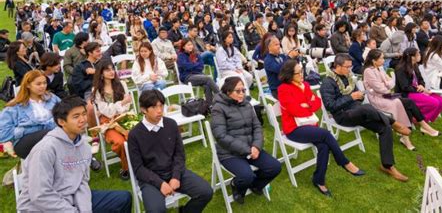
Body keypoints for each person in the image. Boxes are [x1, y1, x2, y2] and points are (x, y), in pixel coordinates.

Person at [16, 95, 132, 212]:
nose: (83, 119)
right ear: (61, 122)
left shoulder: (84, 147)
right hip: (41, 206)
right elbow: (40, 195)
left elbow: (81, 183)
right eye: (76, 116)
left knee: (123, 198)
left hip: (72, 197)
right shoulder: (45, 149)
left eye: (84, 114)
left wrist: (84, 208)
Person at [278, 60, 364, 197]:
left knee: (324, 146)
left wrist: (306, 105)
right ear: (289, 74)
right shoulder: (283, 89)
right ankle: (344, 162)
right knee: (326, 134)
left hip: (310, 125)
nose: (302, 74)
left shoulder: (305, 85)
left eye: (302, 71)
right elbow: (295, 110)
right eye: (298, 72)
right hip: (294, 129)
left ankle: (318, 180)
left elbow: (317, 103)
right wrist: (306, 105)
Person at [320, 53, 410, 182]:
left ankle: (388, 166)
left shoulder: (348, 77)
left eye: (351, 66)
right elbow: (330, 106)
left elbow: (359, 97)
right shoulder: (327, 82)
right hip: (343, 115)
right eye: (347, 67)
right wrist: (351, 97)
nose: (350, 69)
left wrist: (360, 96)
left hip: (358, 111)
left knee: (384, 128)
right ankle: (393, 122)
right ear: (338, 66)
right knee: (367, 108)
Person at [128, 90, 213, 213]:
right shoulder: (135, 134)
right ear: (143, 109)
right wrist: (160, 183)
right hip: (151, 179)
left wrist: (175, 176)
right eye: (153, 107)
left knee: (206, 192)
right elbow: (138, 168)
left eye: (161, 105)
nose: (159, 110)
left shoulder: (171, 124)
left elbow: (179, 154)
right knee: (156, 210)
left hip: (174, 171)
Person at [211, 76, 281, 204]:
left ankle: (255, 185)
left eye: (243, 90)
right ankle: (237, 186)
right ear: (228, 92)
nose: (242, 93)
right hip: (229, 153)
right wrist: (248, 150)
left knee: (275, 167)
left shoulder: (247, 105)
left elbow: (257, 127)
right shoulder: (218, 109)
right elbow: (221, 136)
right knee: (246, 176)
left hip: (251, 148)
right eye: (238, 91)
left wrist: (256, 146)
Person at [363, 50, 439, 150]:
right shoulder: (368, 71)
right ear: (374, 60)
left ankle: (416, 130)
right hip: (378, 99)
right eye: (381, 58)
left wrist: (388, 84)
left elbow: (390, 83)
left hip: (387, 95)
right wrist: (388, 84)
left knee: (408, 102)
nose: (383, 60)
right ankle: (412, 132)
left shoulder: (379, 68)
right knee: (401, 103)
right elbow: (381, 88)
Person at [0, 70, 61, 159]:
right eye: (38, 84)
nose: (43, 86)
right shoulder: (15, 106)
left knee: (59, 136)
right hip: (24, 142)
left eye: (44, 83)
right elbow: (3, 134)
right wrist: (28, 130)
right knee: (48, 134)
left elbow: (65, 114)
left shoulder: (52, 98)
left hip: (52, 138)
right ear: (28, 85)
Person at [92, 60, 133, 180]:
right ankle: (127, 167)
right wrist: (122, 103)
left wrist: (118, 106)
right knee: (119, 142)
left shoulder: (122, 85)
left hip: (123, 117)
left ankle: (139, 163)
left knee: (134, 136)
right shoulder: (97, 90)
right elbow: (107, 112)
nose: (112, 72)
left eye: (112, 69)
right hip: (107, 122)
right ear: (101, 73)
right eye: (107, 70)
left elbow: (127, 106)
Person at [395, 48, 442, 122]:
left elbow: (420, 79)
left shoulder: (415, 65)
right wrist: (419, 89)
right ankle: (420, 120)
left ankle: (427, 119)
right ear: (412, 57)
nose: (420, 56)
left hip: (417, 90)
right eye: (418, 54)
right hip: (407, 93)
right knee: (434, 102)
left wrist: (422, 86)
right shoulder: (401, 69)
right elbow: (405, 86)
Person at [177, 38, 219, 107]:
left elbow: (201, 66)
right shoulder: (181, 56)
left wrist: (192, 65)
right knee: (208, 79)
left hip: (198, 75)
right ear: (183, 47)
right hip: (187, 77)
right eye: (188, 45)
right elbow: (186, 67)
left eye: (191, 45)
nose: (190, 46)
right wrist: (195, 65)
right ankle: (221, 96)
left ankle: (209, 105)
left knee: (207, 85)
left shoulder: (196, 54)